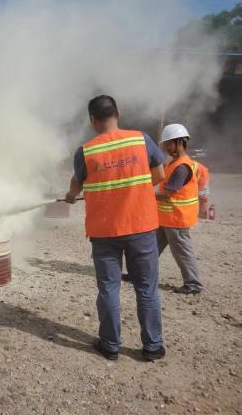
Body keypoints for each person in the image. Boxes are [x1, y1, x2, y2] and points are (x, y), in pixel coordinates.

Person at [65, 95, 166, 361]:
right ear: (118, 113)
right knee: (147, 289)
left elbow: (76, 186)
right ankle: (152, 346)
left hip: (104, 232)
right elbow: (160, 174)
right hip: (141, 226)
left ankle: (110, 345)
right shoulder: (140, 139)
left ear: (92, 120)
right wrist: (137, 189)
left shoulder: (86, 151)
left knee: (109, 289)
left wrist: (70, 195)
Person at [156, 124, 203, 294]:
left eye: (169, 143)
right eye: (165, 144)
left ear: (181, 142)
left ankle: (193, 284)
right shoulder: (172, 162)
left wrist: (145, 194)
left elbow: (168, 194)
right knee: (150, 248)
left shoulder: (182, 167)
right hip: (165, 217)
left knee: (182, 252)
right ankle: (140, 274)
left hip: (177, 219)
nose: (167, 147)